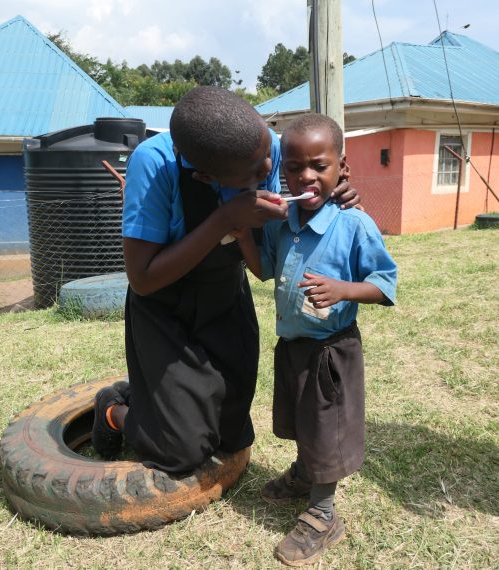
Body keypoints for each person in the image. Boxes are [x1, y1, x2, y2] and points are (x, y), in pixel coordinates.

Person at [91, 87, 360, 475]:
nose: (268, 168)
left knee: (231, 434)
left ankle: (157, 395)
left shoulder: (263, 147)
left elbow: (315, 175)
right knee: (181, 451)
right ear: (206, 176)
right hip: (166, 305)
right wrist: (224, 218)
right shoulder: (153, 165)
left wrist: (337, 191)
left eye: (268, 151)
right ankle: (116, 410)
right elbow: (142, 278)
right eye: (252, 173)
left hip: (225, 293)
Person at [236, 113, 397, 567]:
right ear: (281, 170)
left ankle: (324, 514)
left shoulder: (353, 224)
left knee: (327, 430)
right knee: (303, 421)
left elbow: (386, 284)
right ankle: (306, 474)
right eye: (294, 167)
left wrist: (344, 289)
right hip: (293, 346)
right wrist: (242, 233)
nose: (306, 176)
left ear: (342, 168)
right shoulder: (280, 220)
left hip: (331, 351)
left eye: (319, 166)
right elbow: (265, 269)